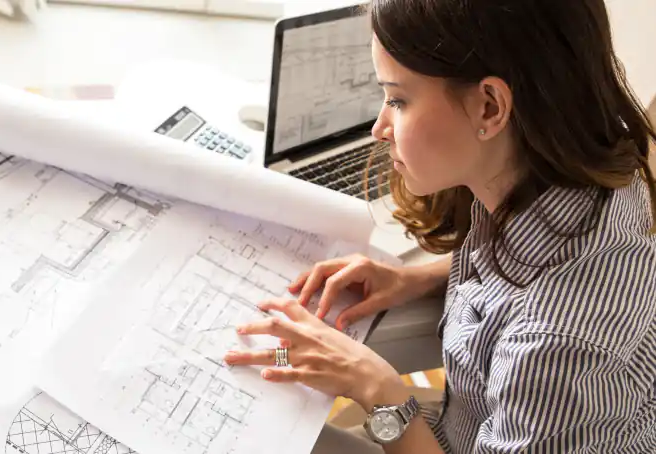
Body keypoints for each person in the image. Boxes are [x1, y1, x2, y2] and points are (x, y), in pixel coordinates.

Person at [223, 0, 656, 452]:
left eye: (397, 99)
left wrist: (378, 391)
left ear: (489, 107)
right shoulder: (594, 171)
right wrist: (414, 278)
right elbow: (524, 268)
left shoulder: (557, 345)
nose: (378, 127)